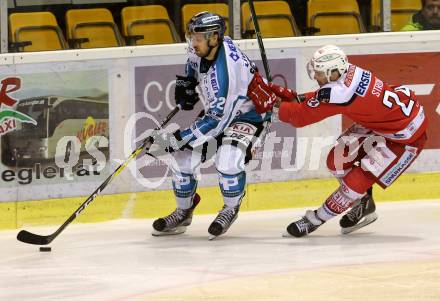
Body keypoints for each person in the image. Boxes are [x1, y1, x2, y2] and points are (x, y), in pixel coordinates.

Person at [248, 45, 428, 237]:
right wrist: (293, 97)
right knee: (337, 160)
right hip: (385, 123)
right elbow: (319, 99)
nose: (315, 77)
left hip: (406, 139)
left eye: (318, 73)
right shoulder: (349, 72)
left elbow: (300, 118)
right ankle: (364, 203)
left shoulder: (341, 93)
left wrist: (271, 107)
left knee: (355, 183)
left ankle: (315, 219)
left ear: (332, 72)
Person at [149, 12, 271, 239]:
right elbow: (193, 66)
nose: (192, 43)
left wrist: (175, 140)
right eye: (191, 37)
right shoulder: (203, 46)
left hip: (249, 116)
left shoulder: (226, 73)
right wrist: (187, 83)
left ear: (214, 37)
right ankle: (183, 212)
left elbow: (216, 123)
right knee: (183, 159)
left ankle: (230, 208)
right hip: (223, 111)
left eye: (198, 38)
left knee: (228, 159)